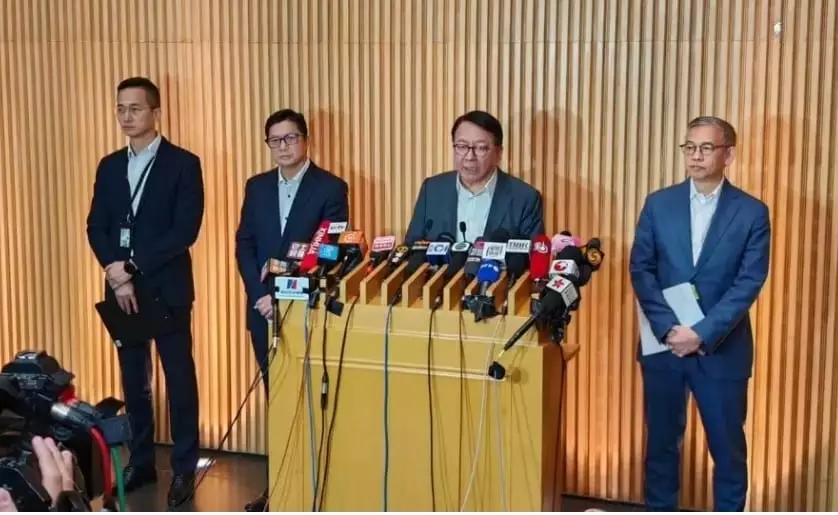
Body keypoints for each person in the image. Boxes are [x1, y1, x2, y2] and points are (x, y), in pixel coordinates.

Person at [629, 116, 771, 511]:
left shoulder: (752, 212)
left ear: (729, 155)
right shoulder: (658, 204)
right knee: (661, 448)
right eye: (689, 147)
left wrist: (702, 332)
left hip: (721, 350)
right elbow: (641, 268)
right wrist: (667, 328)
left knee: (728, 452)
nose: (695, 156)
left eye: (706, 148)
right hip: (664, 347)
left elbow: (749, 281)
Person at [86, 77, 204, 507]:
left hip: (166, 288)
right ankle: (141, 462)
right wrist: (116, 273)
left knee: (179, 378)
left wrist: (133, 267)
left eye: (135, 108)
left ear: (156, 112)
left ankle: (185, 467)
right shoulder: (109, 165)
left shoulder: (183, 163)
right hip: (122, 291)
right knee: (135, 382)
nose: (126, 116)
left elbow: (184, 231)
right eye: (120, 108)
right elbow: (96, 226)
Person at [235, 109, 348, 512]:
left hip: (304, 311)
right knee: (276, 399)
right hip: (261, 310)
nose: (283, 146)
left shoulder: (331, 188)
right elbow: (244, 244)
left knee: (308, 401)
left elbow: (327, 251)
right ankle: (279, 489)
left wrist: (281, 295)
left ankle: (312, 489)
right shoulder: (257, 186)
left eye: (291, 138)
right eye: (275, 140)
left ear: (306, 139)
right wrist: (258, 295)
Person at [404, 110, 544, 244]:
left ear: (498, 153)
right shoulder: (432, 190)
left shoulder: (525, 198)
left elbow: (532, 255)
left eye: (481, 148)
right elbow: (411, 246)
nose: (470, 157)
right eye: (462, 146)